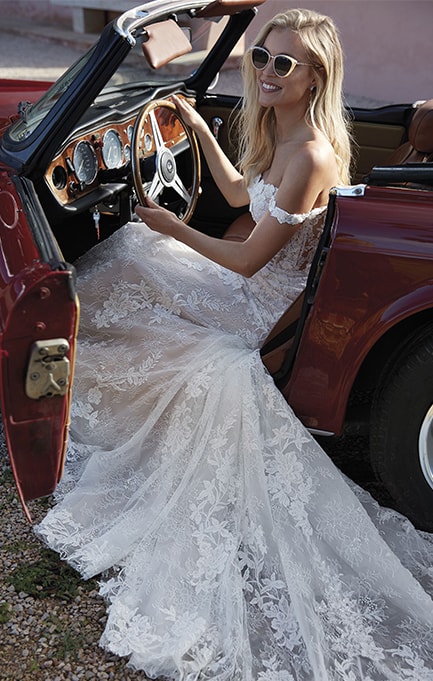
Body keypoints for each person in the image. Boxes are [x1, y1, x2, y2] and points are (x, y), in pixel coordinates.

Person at [36, 8, 433, 681]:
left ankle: (44, 367)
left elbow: (248, 262)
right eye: (260, 58)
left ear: (313, 79)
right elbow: (234, 192)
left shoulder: (307, 154)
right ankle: (59, 357)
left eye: (284, 64)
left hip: (253, 306)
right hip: (249, 284)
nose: (268, 72)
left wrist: (167, 226)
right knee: (136, 254)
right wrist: (192, 127)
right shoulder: (286, 131)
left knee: (134, 246)